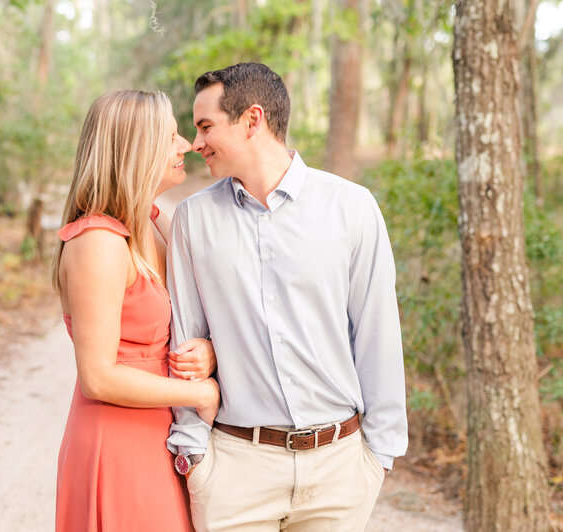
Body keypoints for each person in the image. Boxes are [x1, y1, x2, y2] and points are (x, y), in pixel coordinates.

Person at [166, 62, 408, 531]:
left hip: (340, 472)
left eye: (205, 126)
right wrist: (194, 455)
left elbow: (377, 332)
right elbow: (186, 341)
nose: (196, 144)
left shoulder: (351, 208)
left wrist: (379, 455)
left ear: (252, 120)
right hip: (236, 472)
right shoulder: (193, 221)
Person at [53, 89, 220, 532]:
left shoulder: (150, 221)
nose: (186, 144)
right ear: (135, 149)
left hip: (158, 434)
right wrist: (200, 394)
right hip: (118, 437)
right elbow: (98, 376)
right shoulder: (99, 243)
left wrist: (207, 348)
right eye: (170, 137)